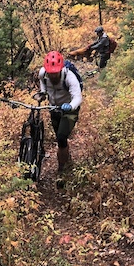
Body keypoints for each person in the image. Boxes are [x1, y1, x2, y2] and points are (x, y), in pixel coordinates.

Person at [35, 50, 82, 185]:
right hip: (53, 109)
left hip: (69, 110)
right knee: (60, 138)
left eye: (55, 73)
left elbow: (78, 97)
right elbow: (43, 84)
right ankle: (67, 158)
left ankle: (61, 171)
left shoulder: (69, 77)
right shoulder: (43, 73)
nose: (53, 75)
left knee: (61, 137)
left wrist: (70, 106)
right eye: (51, 72)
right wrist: (43, 93)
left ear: (60, 69)